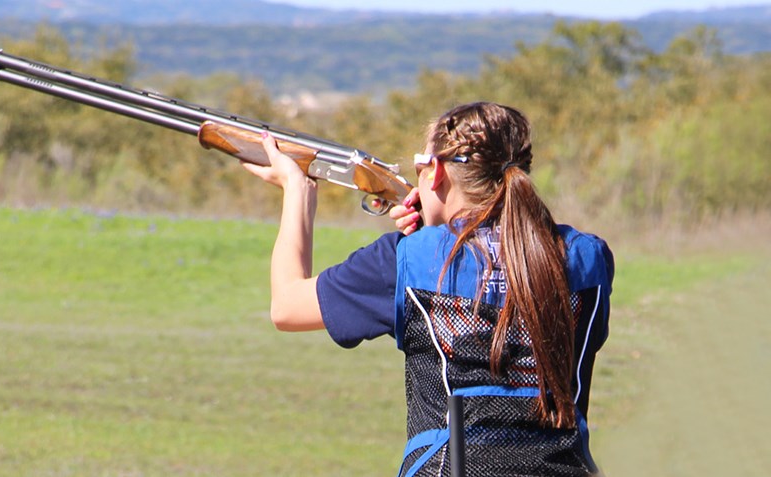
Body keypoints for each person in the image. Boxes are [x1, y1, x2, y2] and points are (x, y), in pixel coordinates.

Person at [242, 101, 614, 477]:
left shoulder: (407, 259)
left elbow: (287, 306)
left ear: (434, 172)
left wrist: (298, 190)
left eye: (419, 167)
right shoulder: (589, 258)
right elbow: (505, 278)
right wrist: (432, 234)